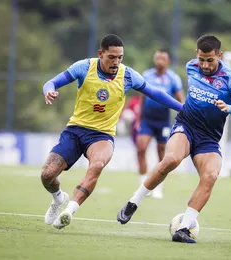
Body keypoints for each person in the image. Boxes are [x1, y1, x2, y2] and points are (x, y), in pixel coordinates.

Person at [117, 35, 231, 243]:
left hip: (209, 138)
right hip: (186, 126)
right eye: (201, 59)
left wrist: (230, 108)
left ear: (220, 55)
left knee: (211, 175)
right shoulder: (191, 67)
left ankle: (182, 228)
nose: (205, 65)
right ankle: (134, 202)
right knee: (171, 159)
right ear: (196, 55)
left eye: (210, 60)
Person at [41, 34, 183, 230]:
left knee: (97, 165)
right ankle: (58, 199)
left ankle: (69, 211)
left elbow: (156, 94)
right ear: (101, 53)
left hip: (102, 135)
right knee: (47, 175)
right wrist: (48, 90)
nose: (116, 62)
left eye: (120, 57)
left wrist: (183, 109)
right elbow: (51, 83)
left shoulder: (128, 75)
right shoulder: (84, 67)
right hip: (75, 130)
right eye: (112, 57)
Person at [136, 49, 185, 199]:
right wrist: (138, 117)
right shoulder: (147, 75)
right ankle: (143, 186)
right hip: (147, 119)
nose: (159, 61)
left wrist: (184, 116)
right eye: (157, 58)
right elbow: (142, 97)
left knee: (162, 154)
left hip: (163, 121)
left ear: (168, 61)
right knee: (141, 148)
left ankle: (157, 188)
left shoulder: (173, 78)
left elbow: (180, 99)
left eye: (163, 58)